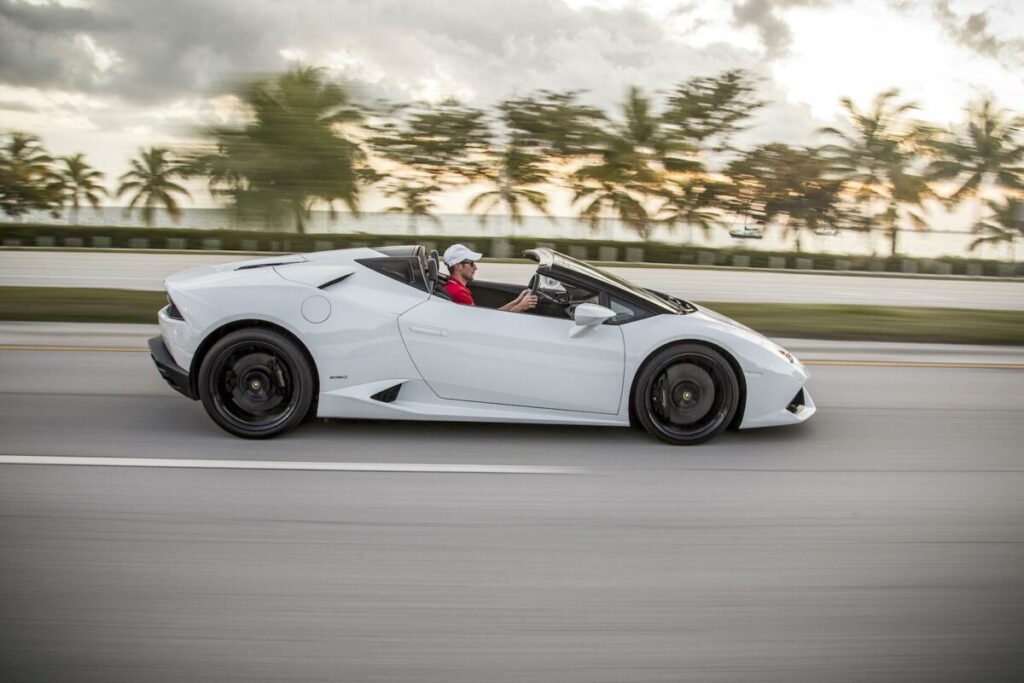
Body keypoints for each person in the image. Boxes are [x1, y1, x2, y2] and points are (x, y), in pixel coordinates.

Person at [442, 243, 537, 312]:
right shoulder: (458, 293)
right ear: (458, 266)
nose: (475, 268)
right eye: (471, 263)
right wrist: (521, 306)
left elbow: (493, 315)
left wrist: (518, 300)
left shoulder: (454, 287)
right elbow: (486, 324)